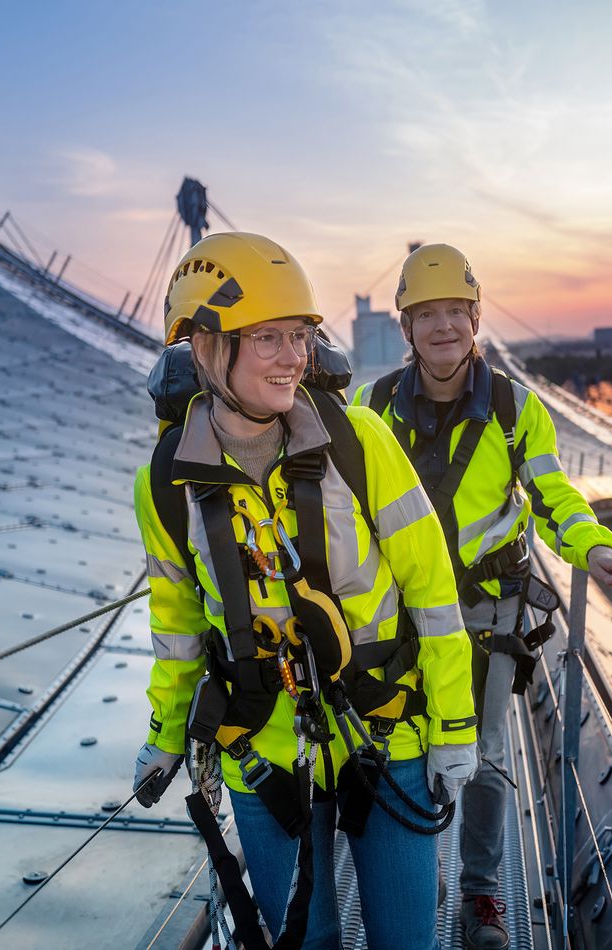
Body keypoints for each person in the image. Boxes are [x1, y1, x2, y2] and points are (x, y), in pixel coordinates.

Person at [130, 232, 478, 950]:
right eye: (267, 338)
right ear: (203, 345)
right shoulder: (165, 484)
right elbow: (179, 624)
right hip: (261, 748)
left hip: (387, 728)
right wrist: (166, 738)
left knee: (407, 940)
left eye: (299, 336)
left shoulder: (360, 441)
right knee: (305, 942)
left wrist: (453, 730)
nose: (294, 357)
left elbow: (431, 591)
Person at [352, 243, 612, 950]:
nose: (443, 326)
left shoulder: (518, 411)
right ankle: (427, 878)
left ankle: (481, 898)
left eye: (455, 311)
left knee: (483, 760)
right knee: (404, 746)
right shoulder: (373, 407)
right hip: (402, 618)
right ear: (406, 328)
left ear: (476, 318)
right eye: (427, 315)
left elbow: (554, 496)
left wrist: (593, 547)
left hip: (487, 616)